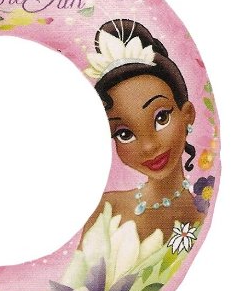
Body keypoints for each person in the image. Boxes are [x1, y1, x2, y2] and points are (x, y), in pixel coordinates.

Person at [83, 19, 204, 241]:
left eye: (161, 118)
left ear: (187, 114)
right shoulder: (108, 211)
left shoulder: (202, 217)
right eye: (124, 134)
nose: (149, 147)